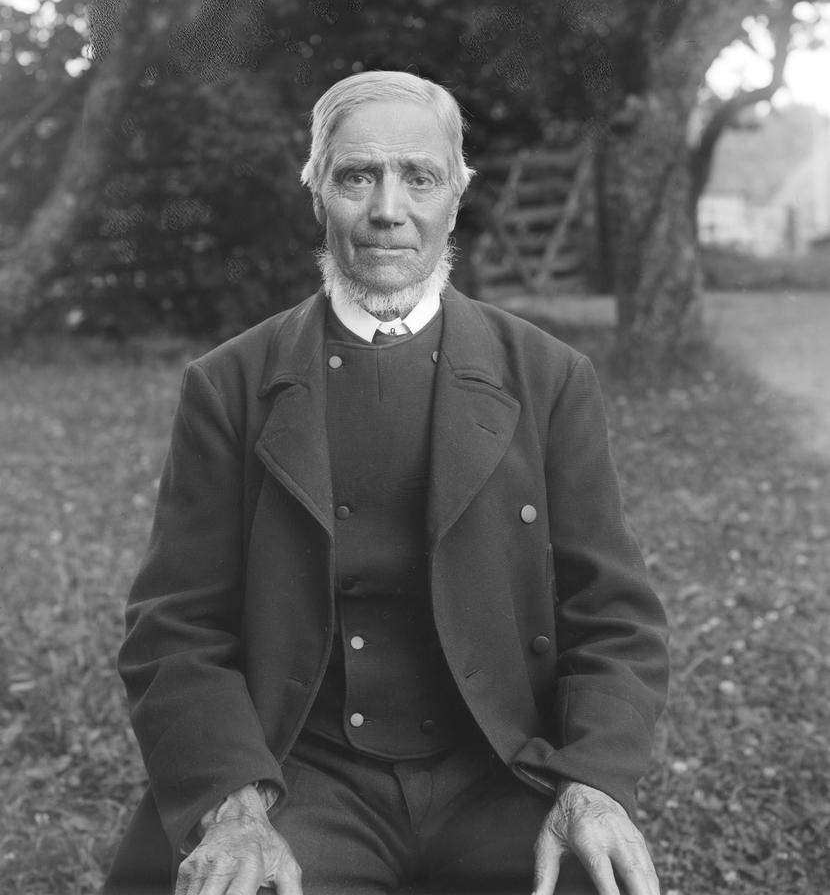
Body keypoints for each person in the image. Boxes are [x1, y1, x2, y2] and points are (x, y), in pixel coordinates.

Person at [104, 71, 670, 895]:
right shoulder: (229, 385)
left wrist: (593, 782)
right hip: (303, 773)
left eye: (420, 178)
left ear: (456, 199)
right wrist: (235, 807)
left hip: (504, 766)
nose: (388, 210)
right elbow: (174, 626)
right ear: (317, 193)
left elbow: (613, 613)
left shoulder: (549, 378)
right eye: (357, 176)